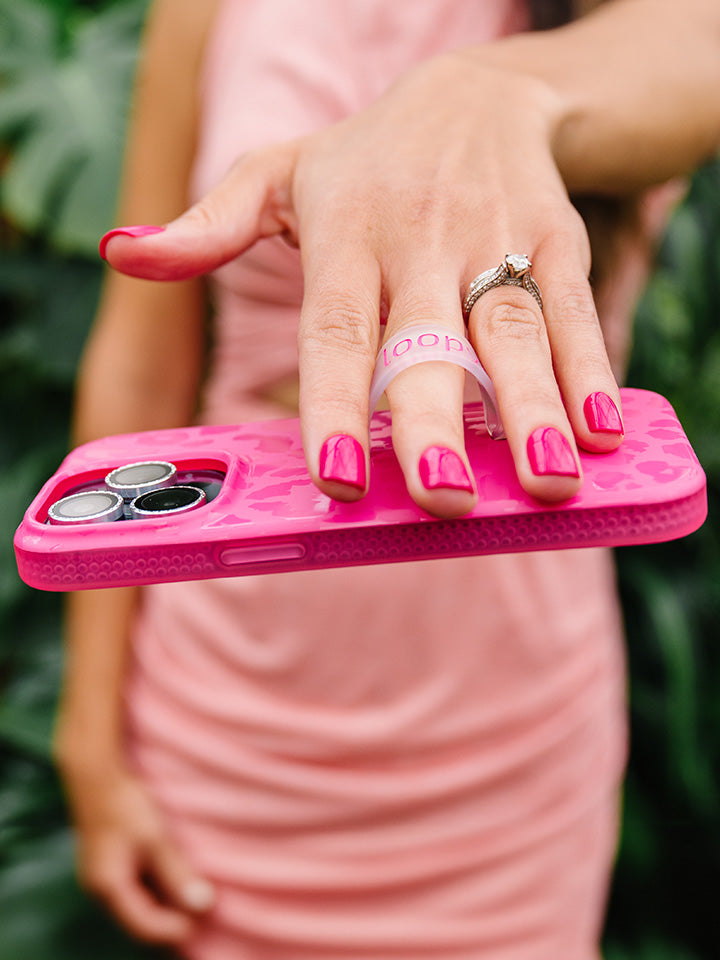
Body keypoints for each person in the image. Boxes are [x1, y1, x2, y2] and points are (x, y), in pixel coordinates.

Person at [54, 1, 720, 958]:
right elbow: (140, 363)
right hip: (231, 724)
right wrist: (88, 735)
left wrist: (487, 96)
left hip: (506, 754)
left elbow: (696, 48)